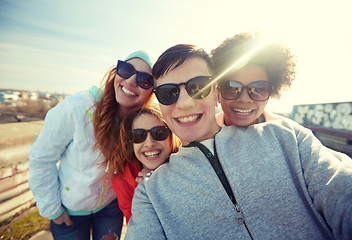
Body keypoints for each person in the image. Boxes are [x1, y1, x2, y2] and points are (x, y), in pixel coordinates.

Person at [125, 44, 352, 240]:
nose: (184, 103)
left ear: (216, 91)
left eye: (198, 87)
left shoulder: (286, 137)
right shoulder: (151, 193)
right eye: (168, 93)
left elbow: (341, 189)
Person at [28, 50, 156, 240]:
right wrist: (53, 210)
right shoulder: (76, 108)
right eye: (126, 69)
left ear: (150, 92)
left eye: (144, 80)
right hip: (70, 211)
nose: (130, 81)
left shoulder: (142, 123)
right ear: (116, 72)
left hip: (111, 209)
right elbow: (42, 159)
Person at [111, 104, 180, 223]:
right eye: (138, 135)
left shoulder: (187, 167)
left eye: (159, 133)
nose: (149, 143)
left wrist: (161, 182)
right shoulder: (122, 178)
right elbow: (136, 224)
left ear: (171, 135)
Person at [211, 31, 296, 127]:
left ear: (271, 92)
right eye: (232, 88)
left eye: (257, 89)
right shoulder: (201, 137)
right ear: (217, 91)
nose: (244, 99)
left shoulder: (293, 136)